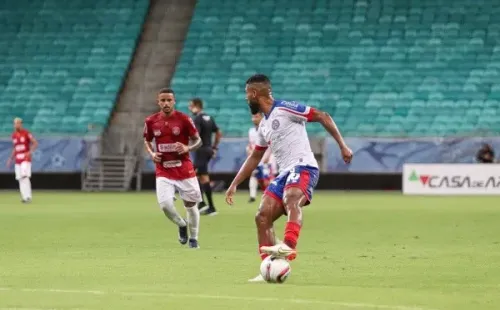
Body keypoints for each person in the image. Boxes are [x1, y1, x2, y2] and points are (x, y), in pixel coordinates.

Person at [224, 74, 353, 282]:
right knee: (262, 216)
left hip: (304, 166)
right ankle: (267, 266)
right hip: (284, 172)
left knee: (291, 197)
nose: (246, 99)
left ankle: (289, 246)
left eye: (247, 94)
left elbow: (323, 116)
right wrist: (234, 183)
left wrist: (343, 145)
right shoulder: (264, 125)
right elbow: (255, 156)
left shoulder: (285, 109)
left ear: (255, 94)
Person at [144, 88, 203, 249]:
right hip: (163, 170)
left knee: (191, 206)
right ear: (158, 102)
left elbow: (198, 140)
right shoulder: (151, 121)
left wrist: (187, 148)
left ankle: (194, 239)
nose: (166, 103)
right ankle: (181, 224)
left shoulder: (184, 119)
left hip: (184, 169)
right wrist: (152, 153)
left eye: (169, 100)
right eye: (162, 100)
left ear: (174, 101)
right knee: (165, 205)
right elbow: (147, 140)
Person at [188, 98, 222, 216]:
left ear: (197, 105)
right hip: (208, 149)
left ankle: (206, 205)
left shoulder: (197, 118)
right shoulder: (209, 118)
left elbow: (195, 135)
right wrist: (214, 148)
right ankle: (205, 205)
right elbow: (218, 133)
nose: (189, 108)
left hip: (201, 150)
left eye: (191, 105)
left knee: (191, 174)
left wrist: (188, 144)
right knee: (201, 177)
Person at [6, 117, 38, 203]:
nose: (16, 125)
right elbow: (15, 148)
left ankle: (28, 196)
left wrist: (30, 152)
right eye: (15, 123)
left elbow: (35, 143)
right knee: (20, 178)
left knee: (25, 176)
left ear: (21, 124)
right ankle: (24, 197)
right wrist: (10, 158)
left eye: (17, 123)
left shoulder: (26, 133)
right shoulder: (14, 135)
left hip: (25, 158)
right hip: (18, 159)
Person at [247, 113, 273, 203]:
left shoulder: (267, 129)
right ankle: (252, 196)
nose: (254, 119)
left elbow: (271, 145)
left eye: (256, 117)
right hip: (256, 157)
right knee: (254, 175)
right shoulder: (251, 131)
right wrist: (250, 153)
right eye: (253, 117)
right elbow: (250, 145)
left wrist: (267, 157)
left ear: (262, 118)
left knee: (267, 178)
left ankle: (270, 195)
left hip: (266, 158)